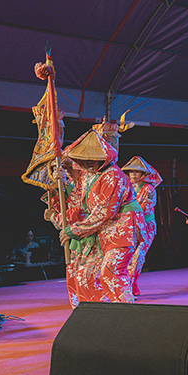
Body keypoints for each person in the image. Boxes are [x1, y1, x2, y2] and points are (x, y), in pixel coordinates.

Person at [58, 129, 145, 303]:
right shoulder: (88, 176)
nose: (89, 163)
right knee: (84, 274)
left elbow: (105, 211)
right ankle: (96, 314)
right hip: (101, 231)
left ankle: (128, 315)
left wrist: (74, 230)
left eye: (93, 158)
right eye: (85, 159)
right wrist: (62, 182)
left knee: (111, 272)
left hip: (122, 228)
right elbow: (80, 201)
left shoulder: (113, 175)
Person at [45, 156, 105, 307]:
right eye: (64, 169)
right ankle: (79, 311)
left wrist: (53, 217)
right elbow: (66, 214)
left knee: (87, 277)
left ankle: (101, 309)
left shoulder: (90, 181)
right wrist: (54, 186)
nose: (68, 172)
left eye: (70, 168)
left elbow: (80, 208)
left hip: (92, 236)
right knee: (73, 274)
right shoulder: (72, 183)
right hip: (76, 237)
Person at [122, 156, 162, 297]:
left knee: (138, 256)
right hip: (129, 226)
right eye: (131, 171)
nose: (133, 174)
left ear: (143, 174)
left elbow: (143, 209)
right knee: (128, 257)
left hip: (146, 226)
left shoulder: (149, 189)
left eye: (136, 172)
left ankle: (129, 287)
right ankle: (131, 286)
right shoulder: (127, 187)